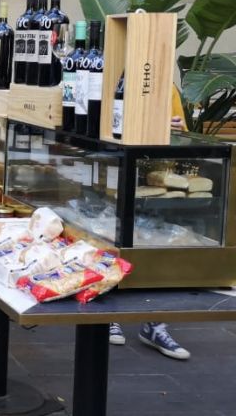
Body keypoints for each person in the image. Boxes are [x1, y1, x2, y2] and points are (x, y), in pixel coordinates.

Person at [108, 105, 191, 360]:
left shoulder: (164, 84)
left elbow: (182, 131)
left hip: (155, 175)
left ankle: (155, 324)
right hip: (113, 167)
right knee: (110, 240)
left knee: (157, 247)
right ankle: (109, 316)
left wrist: (175, 127)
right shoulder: (108, 73)